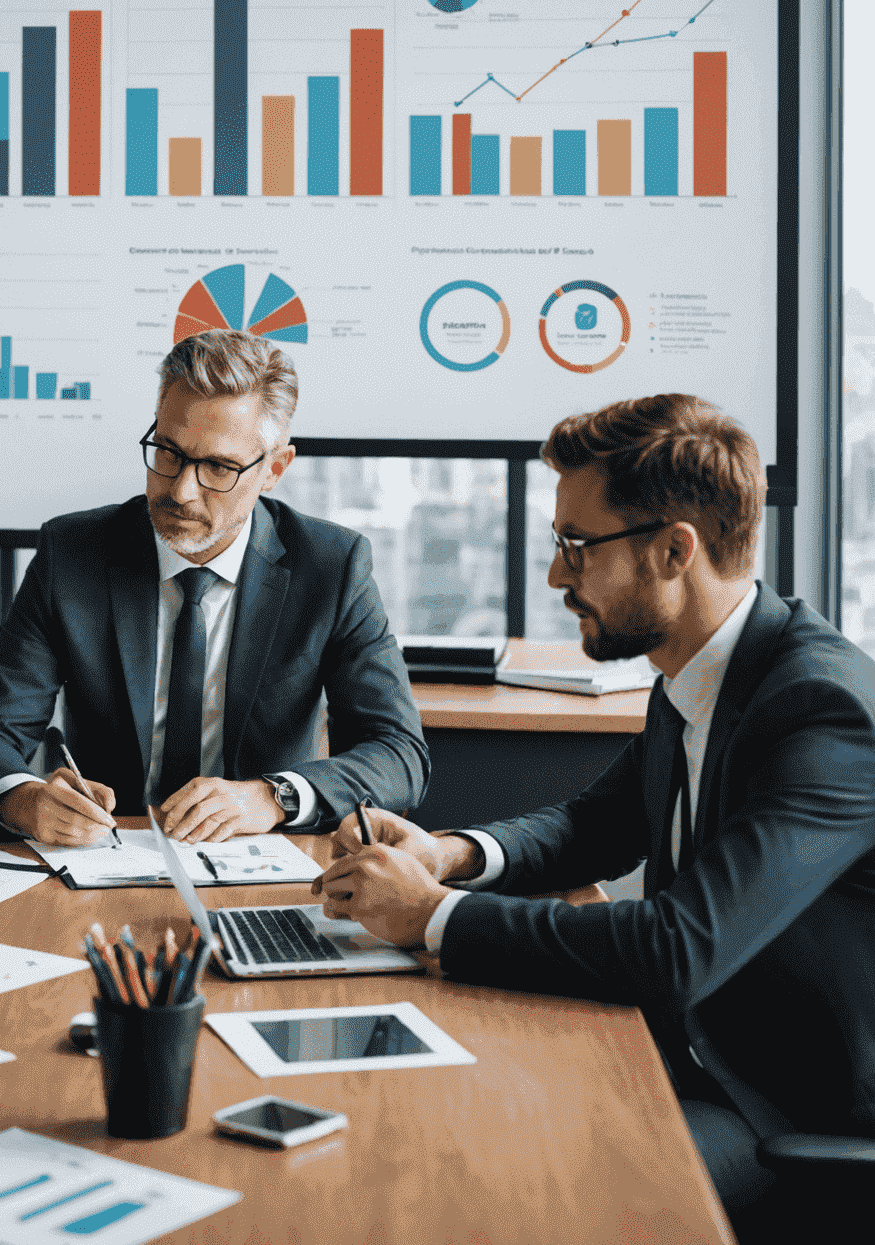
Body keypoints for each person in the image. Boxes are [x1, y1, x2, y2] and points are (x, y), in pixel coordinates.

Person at [313, 393, 875, 1226]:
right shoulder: (700, 668)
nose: (554, 575)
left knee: (525, 1197)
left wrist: (433, 917)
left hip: (783, 1111)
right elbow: (596, 824)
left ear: (674, 550)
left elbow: (677, 947)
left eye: (577, 546)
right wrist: (451, 857)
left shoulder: (820, 712)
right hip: (684, 1052)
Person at [0, 328, 427, 847]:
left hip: (261, 864)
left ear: (274, 469)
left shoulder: (330, 567)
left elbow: (398, 754)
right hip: (104, 854)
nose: (180, 489)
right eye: (169, 452)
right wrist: (26, 800)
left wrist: (270, 798)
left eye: (218, 466)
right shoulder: (73, 554)